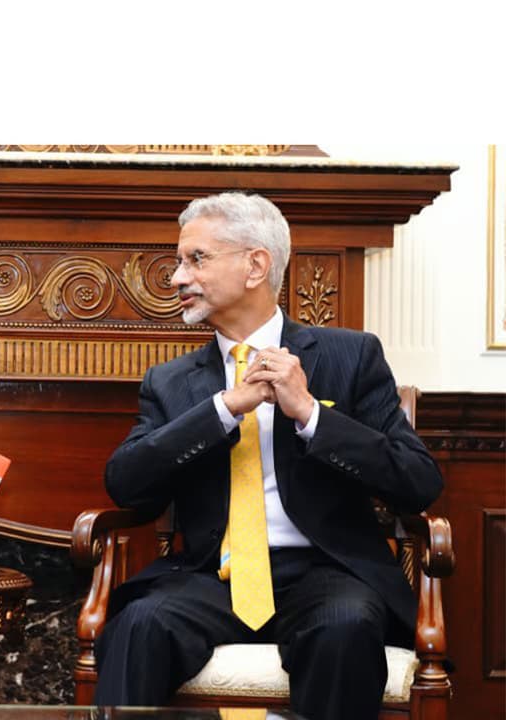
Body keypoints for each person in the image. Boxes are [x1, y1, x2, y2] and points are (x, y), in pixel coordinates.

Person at [94, 192, 443, 720]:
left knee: (345, 626)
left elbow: (418, 481)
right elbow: (126, 485)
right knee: (140, 623)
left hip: (327, 571)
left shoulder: (351, 356)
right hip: (212, 575)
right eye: (180, 260)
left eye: (197, 259)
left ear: (255, 265)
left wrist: (309, 414)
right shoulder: (170, 382)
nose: (176, 278)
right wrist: (223, 409)